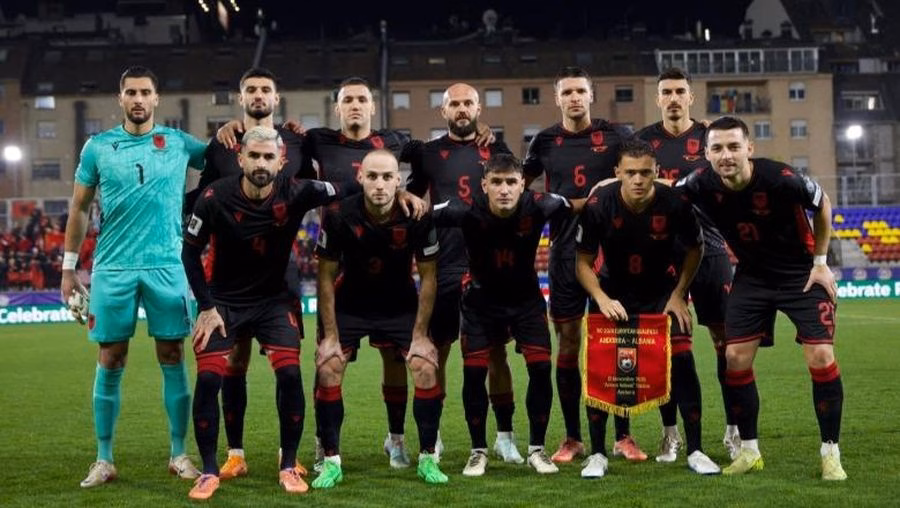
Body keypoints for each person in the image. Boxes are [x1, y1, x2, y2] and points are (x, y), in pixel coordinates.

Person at [216, 75, 427, 470]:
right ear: (337, 107)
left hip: (388, 261)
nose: (355, 106)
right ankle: (321, 444)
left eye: (362, 99)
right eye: (348, 100)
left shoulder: (394, 142)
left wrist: (407, 190)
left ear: (372, 106)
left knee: (395, 359)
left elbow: (434, 157)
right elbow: (274, 139)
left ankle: (396, 440)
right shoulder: (314, 140)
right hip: (339, 262)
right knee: (326, 358)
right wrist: (233, 125)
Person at [676, 116, 846, 480]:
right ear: (706, 154)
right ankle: (750, 451)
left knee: (820, 355)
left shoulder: (781, 178)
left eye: (734, 147)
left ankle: (830, 452)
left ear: (749, 149)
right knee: (734, 357)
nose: (726, 155)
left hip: (800, 273)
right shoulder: (699, 182)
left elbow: (823, 203)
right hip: (752, 277)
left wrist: (820, 263)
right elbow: (664, 193)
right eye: (717, 148)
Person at [61, 66, 206, 488]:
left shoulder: (179, 143)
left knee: (173, 355)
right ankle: (104, 459)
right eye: (131, 92)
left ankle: (179, 454)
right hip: (112, 267)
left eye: (145, 92)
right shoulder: (98, 147)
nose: (138, 99)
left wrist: (245, 129)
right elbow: (79, 208)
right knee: (110, 357)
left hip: (167, 265)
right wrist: (68, 268)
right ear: (120, 98)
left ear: (156, 99)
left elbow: (224, 159)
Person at [182, 126, 344, 500]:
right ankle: (210, 471)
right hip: (223, 302)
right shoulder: (213, 197)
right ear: (240, 159)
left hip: (274, 301)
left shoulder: (298, 191)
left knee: (290, 374)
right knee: (208, 379)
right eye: (253, 156)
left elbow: (351, 188)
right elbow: (190, 252)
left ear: (281, 162)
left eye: (268, 157)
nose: (260, 163)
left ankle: (287, 464)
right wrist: (206, 307)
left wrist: (400, 193)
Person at [184, 67, 310, 481]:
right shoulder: (222, 144)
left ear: (276, 98)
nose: (258, 95)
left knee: (286, 366)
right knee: (233, 362)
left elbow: (318, 187)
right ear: (241, 98)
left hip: (279, 275)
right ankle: (235, 454)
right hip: (229, 276)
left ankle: (287, 455)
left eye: (265, 89)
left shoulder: (298, 141)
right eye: (251, 89)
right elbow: (199, 198)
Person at [575, 139, 720, 478]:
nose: (638, 179)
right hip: (612, 294)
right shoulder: (598, 204)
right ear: (617, 173)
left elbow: (696, 249)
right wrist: (600, 298)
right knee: (602, 369)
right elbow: (582, 262)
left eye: (645, 172)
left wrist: (679, 294)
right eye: (630, 173)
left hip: (661, 293)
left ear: (657, 172)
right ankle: (597, 454)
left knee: (682, 361)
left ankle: (695, 450)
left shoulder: (676, 203)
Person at [523, 66, 645, 462]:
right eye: (567, 92)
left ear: (591, 95)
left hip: (611, 253)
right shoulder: (544, 141)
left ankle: (623, 435)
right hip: (563, 252)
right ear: (557, 98)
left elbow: (643, 168)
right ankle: (573, 437)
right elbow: (517, 184)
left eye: (580, 91)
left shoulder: (616, 136)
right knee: (569, 343)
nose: (574, 98)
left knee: (617, 342)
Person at [403, 82, 522, 463]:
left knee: (496, 353)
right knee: (438, 350)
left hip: (489, 267)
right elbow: (411, 195)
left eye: (468, 102)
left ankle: (505, 436)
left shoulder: (498, 151)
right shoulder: (428, 153)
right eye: (454, 103)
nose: (461, 109)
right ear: (443, 111)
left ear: (479, 108)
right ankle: (433, 434)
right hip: (444, 264)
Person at [312, 149, 447, 488]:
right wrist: (330, 336)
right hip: (351, 303)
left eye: (388, 177)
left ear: (398, 181)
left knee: (425, 366)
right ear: (360, 178)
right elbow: (325, 276)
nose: (380, 184)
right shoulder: (339, 215)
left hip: (399, 304)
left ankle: (427, 457)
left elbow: (429, 277)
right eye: (372, 176)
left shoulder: (417, 215)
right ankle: (330, 461)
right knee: (328, 366)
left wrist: (420, 335)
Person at [432, 153, 570, 476]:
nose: (504, 189)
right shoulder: (464, 209)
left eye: (511, 182)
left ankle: (537, 449)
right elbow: (421, 216)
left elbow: (579, 207)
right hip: (480, 303)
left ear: (523, 184)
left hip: (526, 301)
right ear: (484, 185)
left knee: (540, 369)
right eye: (496, 182)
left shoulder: (542, 205)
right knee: (474, 373)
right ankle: (478, 450)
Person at [635, 67, 739, 461]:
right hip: (661, 253)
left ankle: (733, 428)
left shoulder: (711, 137)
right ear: (658, 98)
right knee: (668, 348)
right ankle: (671, 433)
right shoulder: (642, 142)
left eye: (680, 91)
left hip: (709, 247)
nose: (674, 98)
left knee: (726, 344)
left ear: (691, 97)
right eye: (667, 92)